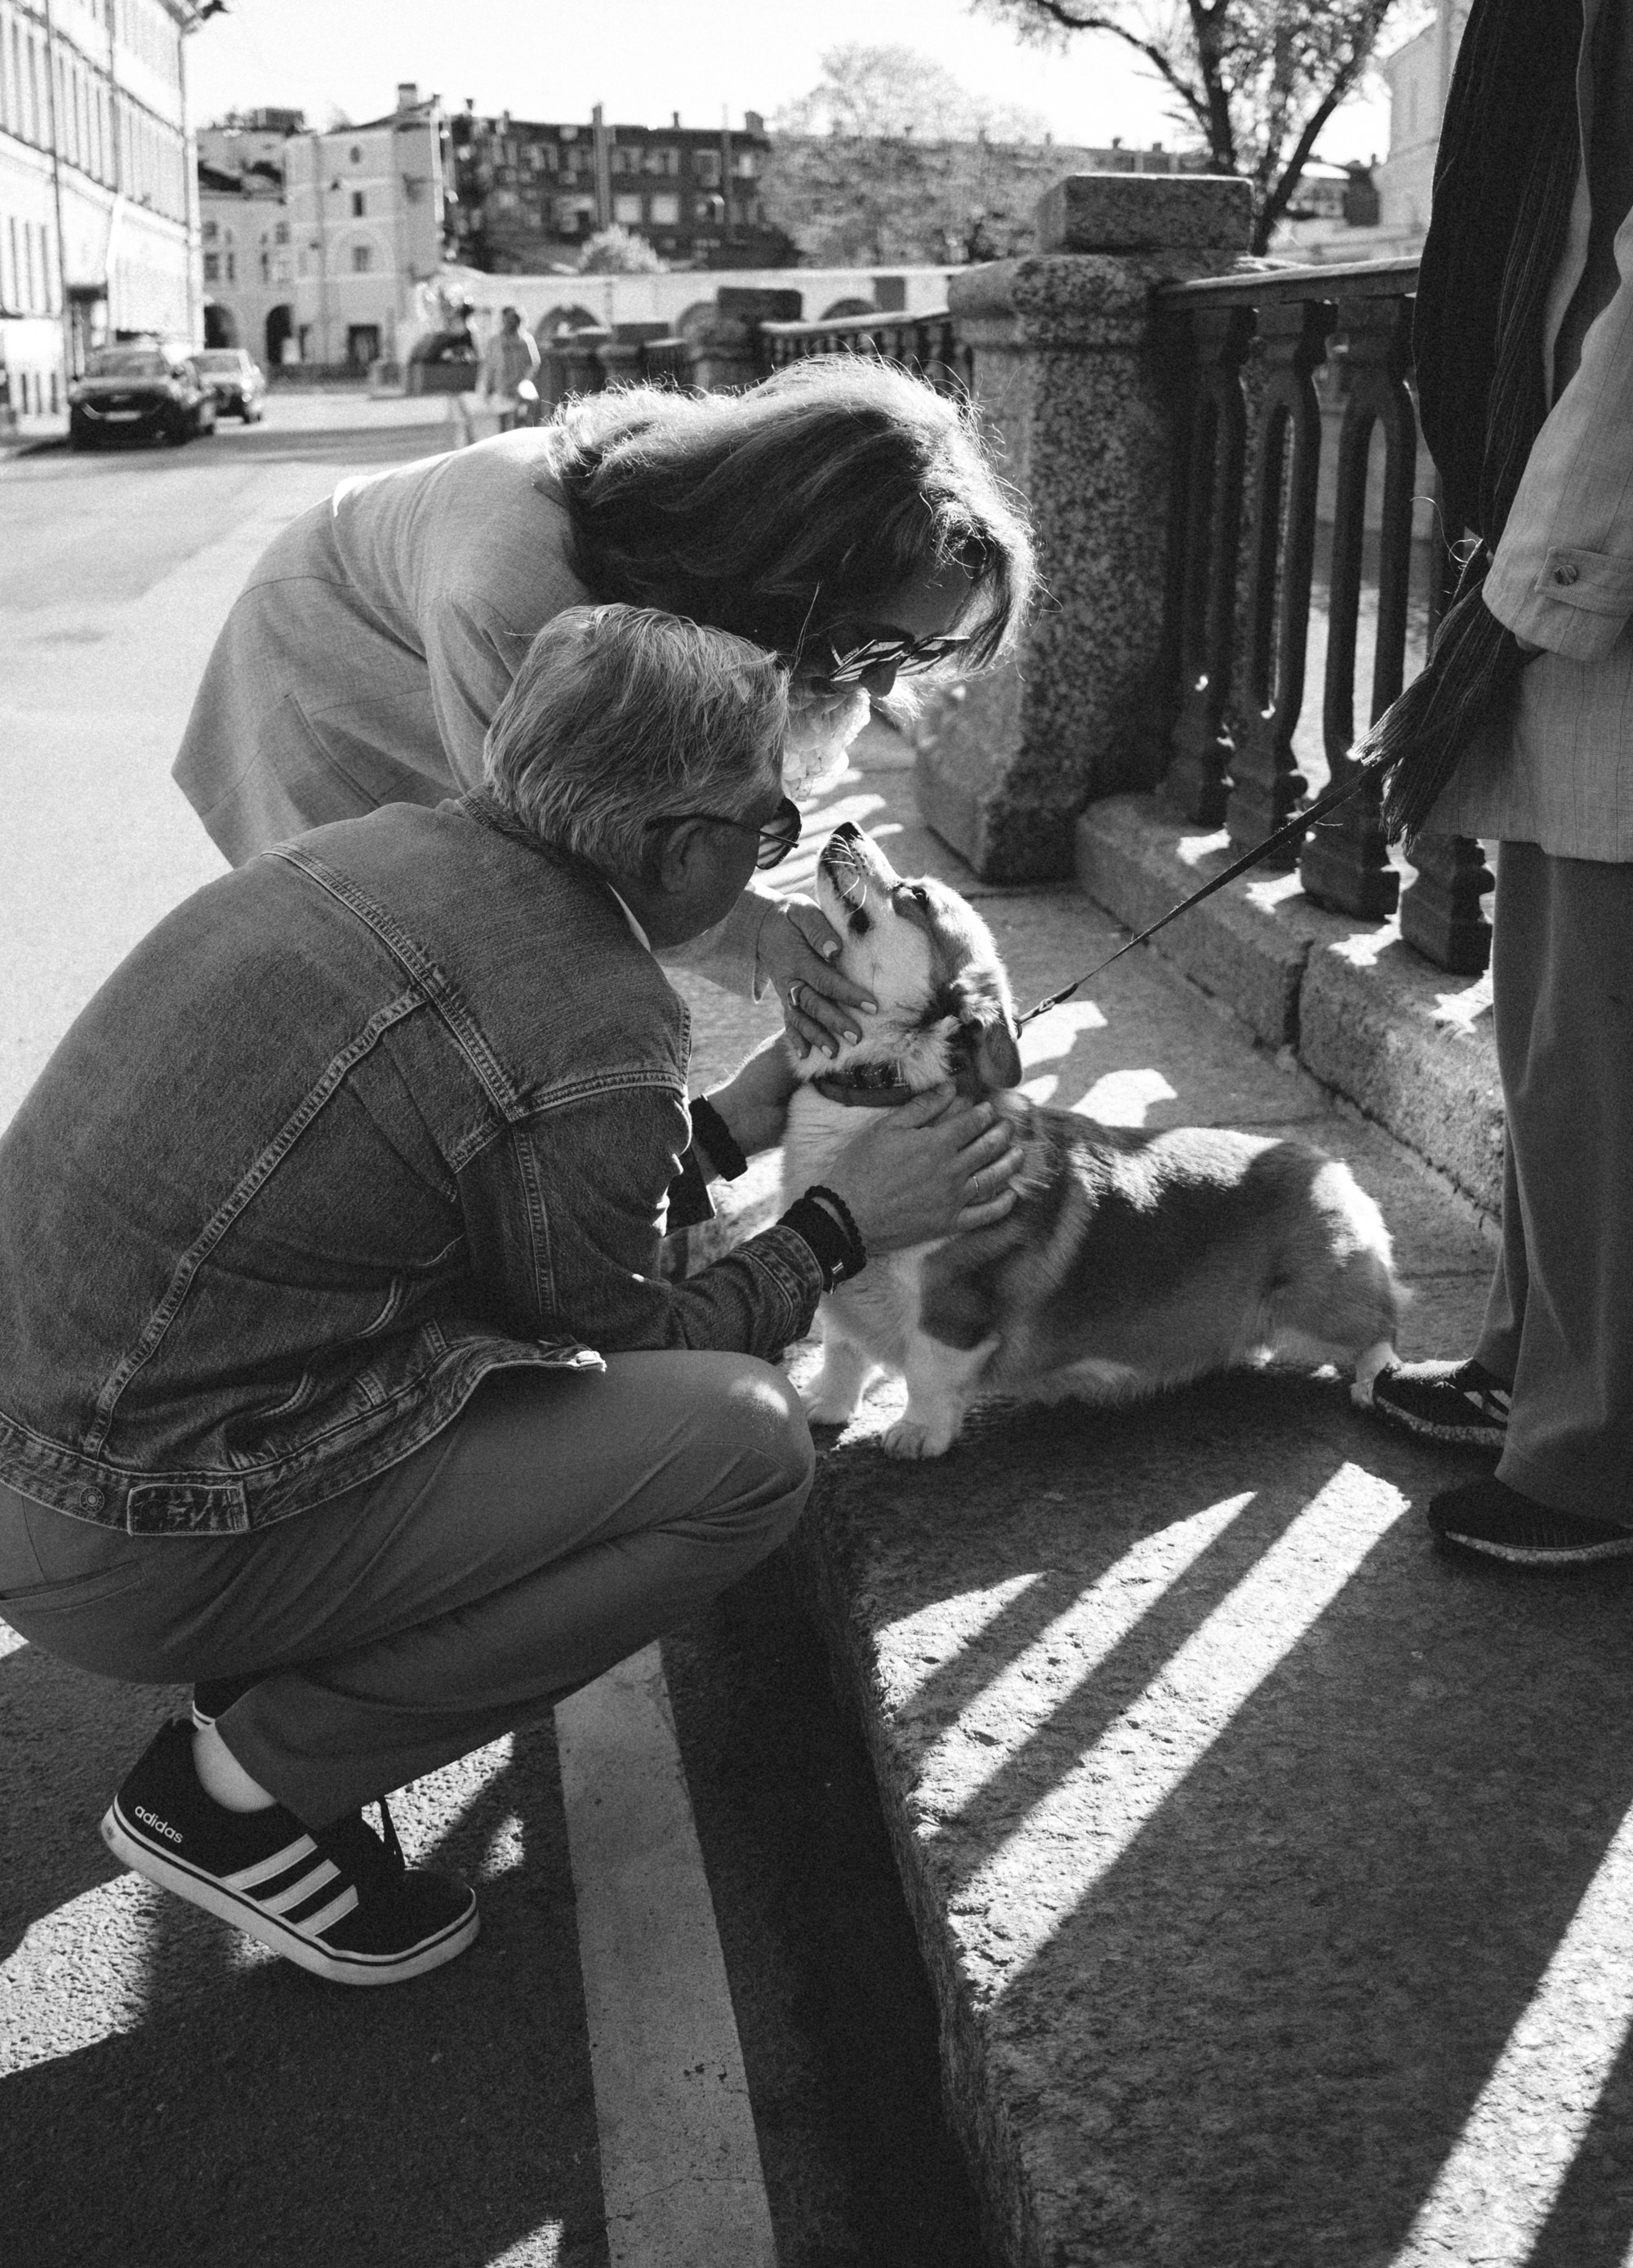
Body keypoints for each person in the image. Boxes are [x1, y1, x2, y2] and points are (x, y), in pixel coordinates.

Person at [0, 605, 1024, 1985]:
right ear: (680, 846)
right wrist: (840, 1229)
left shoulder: (371, 850)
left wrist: (723, 1126)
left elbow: (495, 1208)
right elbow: (619, 1345)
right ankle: (235, 1797)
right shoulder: (594, 1011)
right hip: (133, 1539)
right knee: (740, 1448)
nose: (771, 863)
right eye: (766, 828)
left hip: (59, 1464)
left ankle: (272, 1666)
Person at [171, 353, 1035, 1062]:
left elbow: (666, 831)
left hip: (434, 601)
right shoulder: (521, 600)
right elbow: (550, 877)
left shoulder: (698, 558)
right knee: (418, 963)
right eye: (874, 646)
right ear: (788, 574)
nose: (881, 688)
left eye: (919, 656)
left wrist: (757, 930)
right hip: (328, 656)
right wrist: (738, 947)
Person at [1367, 0, 1633, 1566]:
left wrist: (1529, 583)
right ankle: (1544, 1373)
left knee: (1596, 1047)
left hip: (1599, 558)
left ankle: (1596, 1452)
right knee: (1558, 1035)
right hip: (1567, 531)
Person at [457, 304, 542, 442]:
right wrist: (485, 388)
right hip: (502, 388)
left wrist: (525, 381)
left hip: (519, 389)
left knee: (522, 422)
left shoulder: (526, 340)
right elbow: (489, 366)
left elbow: (533, 363)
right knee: (503, 427)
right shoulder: (495, 341)